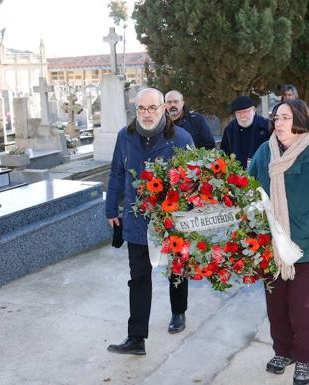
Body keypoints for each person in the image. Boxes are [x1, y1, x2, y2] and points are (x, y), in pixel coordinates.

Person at [249, 99, 309, 385]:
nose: (278, 123)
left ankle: (304, 358)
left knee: (304, 306)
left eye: (286, 118)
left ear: (301, 121)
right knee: (276, 303)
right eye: (276, 118)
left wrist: (303, 228)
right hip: (270, 246)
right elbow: (249, 190)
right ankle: (283, 350)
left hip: (307, 245)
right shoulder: (263, 154)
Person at [105, 88, 194, 355]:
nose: (146, 113)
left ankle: (178, 312)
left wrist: (185, 212)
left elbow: (191, 181)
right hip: (136, 220)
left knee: (177, 269)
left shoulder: (180, 138)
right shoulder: (125, 136)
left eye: (152, 108)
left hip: (171, 219)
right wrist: (111, 209)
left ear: (163, 108)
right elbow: (116, 173)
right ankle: (136, 338)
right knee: (139, 277)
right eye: (141, 108)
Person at [221, 95, 270, 168]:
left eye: (245, 112)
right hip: (237, 174)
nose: (242, 116)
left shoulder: (266, 126)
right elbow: (225, 153)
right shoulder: (229, 129)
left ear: (253, 110)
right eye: (238, 113)